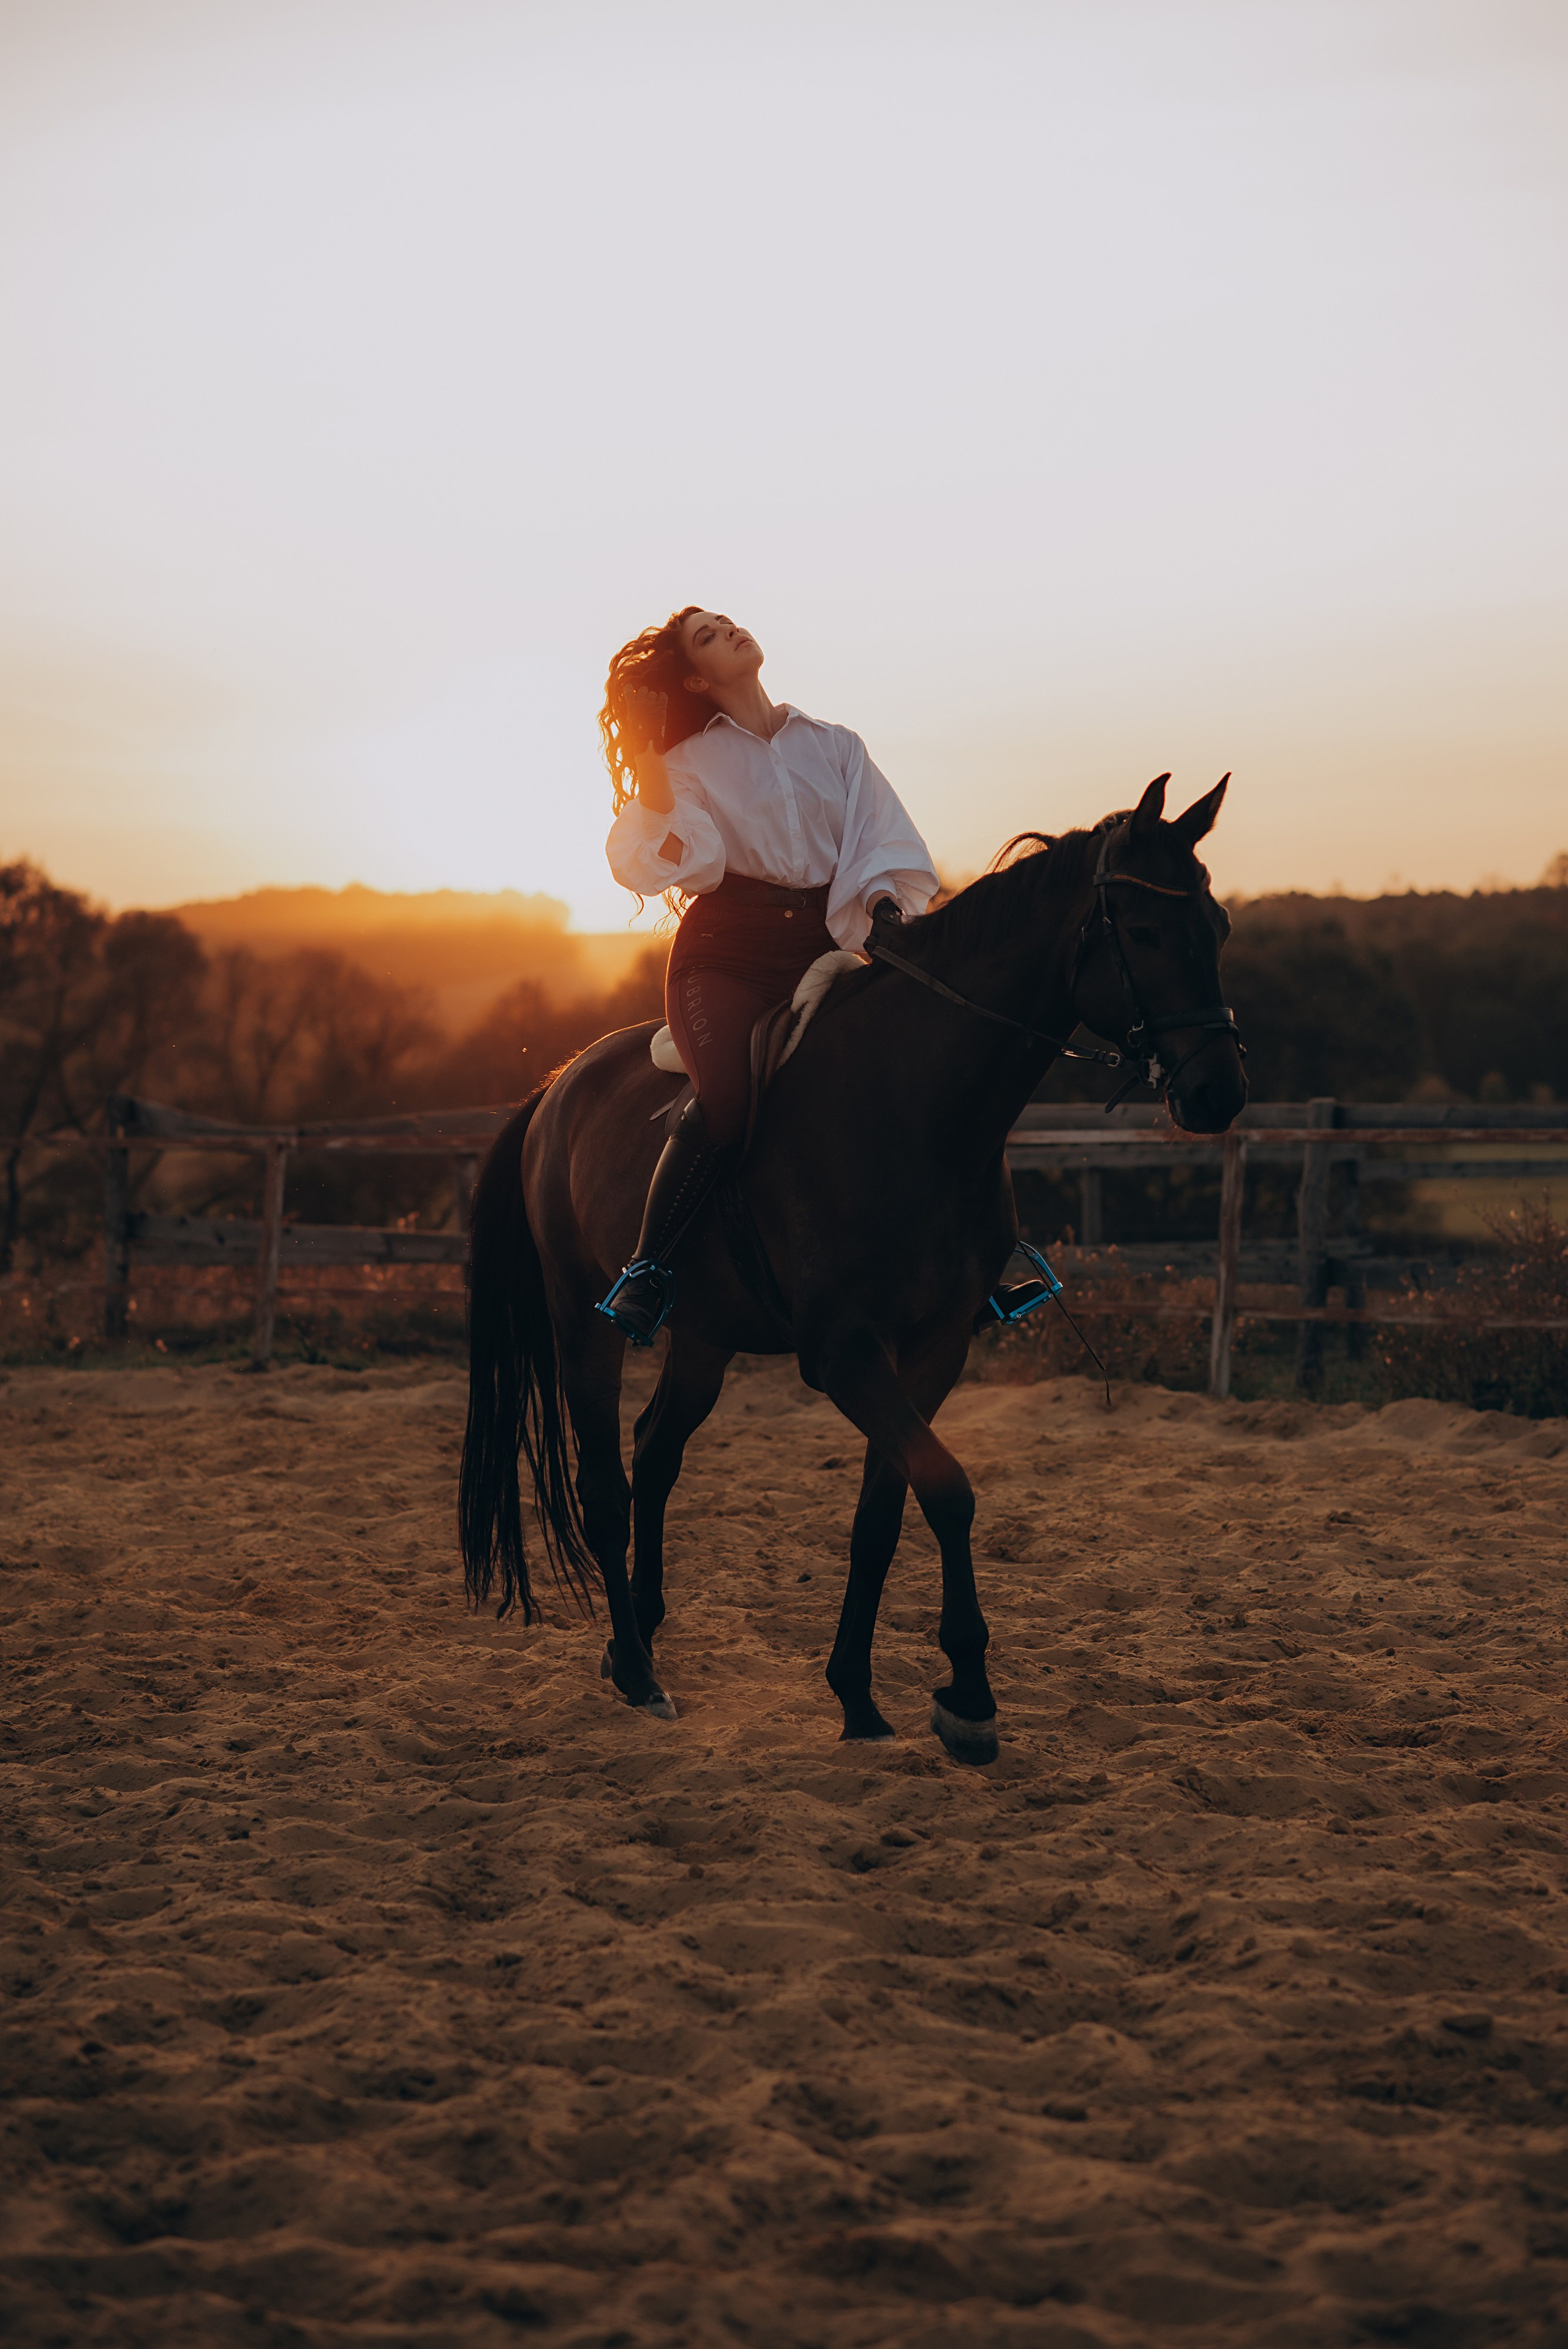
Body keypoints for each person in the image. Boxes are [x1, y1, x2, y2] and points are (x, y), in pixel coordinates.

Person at [595, 606, 939, 1342]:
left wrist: (881, 909)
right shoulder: (687, 762)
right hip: (727, 951)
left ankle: (961, 1260)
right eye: (709, 637)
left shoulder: (837, 746)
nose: (732, 630)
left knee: (922, 1070)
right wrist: (647, 754)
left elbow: (878, 838)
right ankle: (648, 1268)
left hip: (822, 942)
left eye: (728, 622)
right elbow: (683, 855)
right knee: (726, 1096)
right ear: (694, 675)